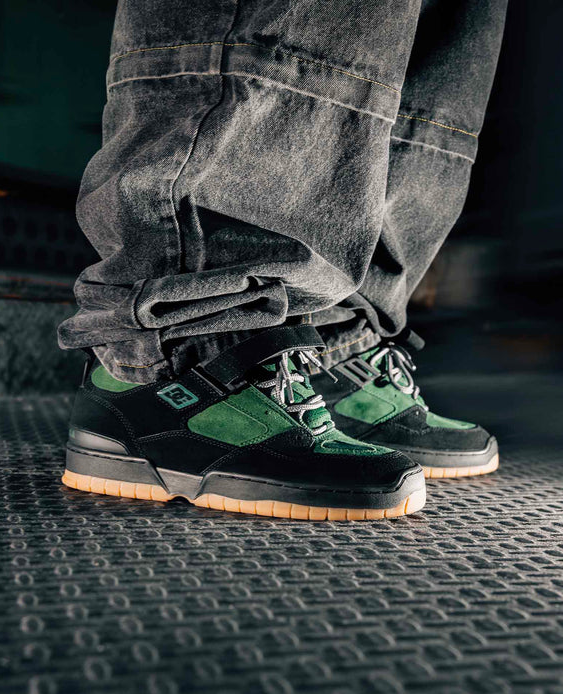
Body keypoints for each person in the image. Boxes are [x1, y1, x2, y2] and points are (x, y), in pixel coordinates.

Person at [59, 0, 507, 520]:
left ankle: (336, 341)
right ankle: (179, 358)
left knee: (429, 62)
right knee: (295, 29)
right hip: (173, 360)